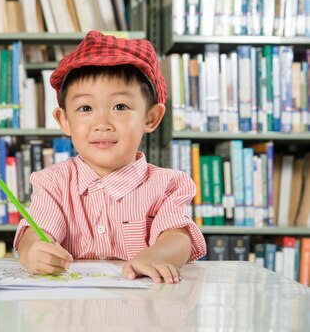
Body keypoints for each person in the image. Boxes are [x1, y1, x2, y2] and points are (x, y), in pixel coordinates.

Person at [14, 31, 207, 284]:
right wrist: (32, 252)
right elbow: (36, 232)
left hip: (141, 313)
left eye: (120, 107)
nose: (102, 123)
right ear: (65, 121)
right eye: (85, 108)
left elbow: (178, 237)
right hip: (73, 313)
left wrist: (157, 255)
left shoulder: (167, 185)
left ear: (150, 118)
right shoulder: (53, 182)